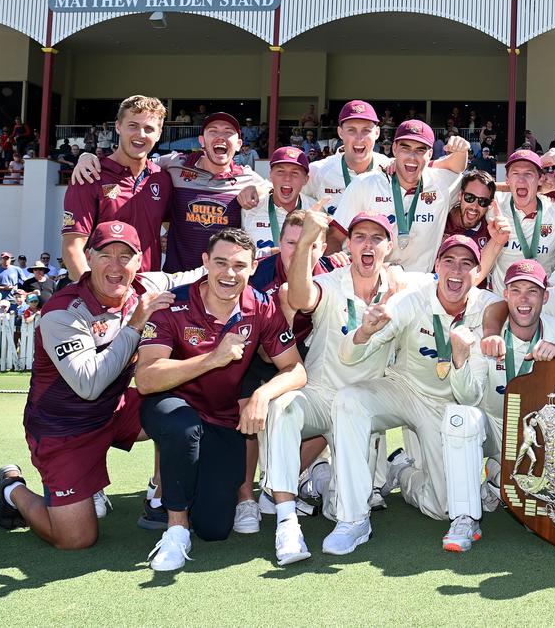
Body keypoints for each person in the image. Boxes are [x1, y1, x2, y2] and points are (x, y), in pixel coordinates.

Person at [0, 222, 192, 550]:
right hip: (64, 429)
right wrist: (136, 323)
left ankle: (162, 494)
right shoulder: (61, 312)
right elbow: (89, 385)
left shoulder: (146, 285)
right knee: (76, 539)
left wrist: (263, 260)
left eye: (125, 256)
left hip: (115, 411)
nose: (116, 266)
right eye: (105, 255)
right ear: (88, 257)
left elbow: (201, 273)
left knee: (182, 402)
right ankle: (12, 488)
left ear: (139, 261)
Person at [134, 228, 305, 571]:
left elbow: (296, 370)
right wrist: (213, 358)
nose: (229, 274)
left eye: (239, 265)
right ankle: (175, 529)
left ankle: (181, 490)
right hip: (172, 408)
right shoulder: (175, 304)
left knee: (214, 528)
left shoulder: (261, 306)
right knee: (183, 428)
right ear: (205, 263)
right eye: (221, 263)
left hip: (222, 418)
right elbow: (147, 378)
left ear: (253, 267)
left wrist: (262, 394)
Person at [256, 209, 418, 565]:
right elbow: (298, 297)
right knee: (283, 406)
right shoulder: (331, 283)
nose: (368, 244)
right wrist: (306, 243)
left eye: (377, 238)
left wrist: (398, 289)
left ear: (388, 248)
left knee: (341, 499)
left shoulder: (401, 288)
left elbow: (452, 283)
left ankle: (352, 516)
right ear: (347, 244)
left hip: (364, 404)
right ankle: (287, 522)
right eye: (360, 237)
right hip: (321, 394)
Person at [323, 235, 497, 555]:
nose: (456, 271)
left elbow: (470, 396)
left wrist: (459, 359)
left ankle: (400, 470)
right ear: (437, 266)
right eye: (449, 262)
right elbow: (349, 356)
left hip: (446, 406)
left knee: (444, 507)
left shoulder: (486, 310)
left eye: (466, 264)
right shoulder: (414, 299)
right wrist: (364, 332)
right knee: (349, 400)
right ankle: (353, 519)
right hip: (403, 389)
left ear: (477, 273)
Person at [441, 259, 555, 552]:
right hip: (495, 427)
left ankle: (498, 484)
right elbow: (468, 397)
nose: (523, 299)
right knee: (461, 417)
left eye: (532, 291)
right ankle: (464, 518)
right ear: (504, 295)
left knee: (545, 521)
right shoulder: (487, 336)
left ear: (545, 297)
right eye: (516, 290)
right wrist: (459, 358)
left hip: (539, 441)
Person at [72, 112, 268, 274]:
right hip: (176, 279)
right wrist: (87, 156)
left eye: (228, 132)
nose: (221, 137)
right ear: (201, 140)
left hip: (222, 282)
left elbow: (274, 188)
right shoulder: (175, 164)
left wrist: (260, 188)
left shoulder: (248, 179)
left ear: (240, 144)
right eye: (213, 131)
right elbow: (134, 162)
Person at [331, 119, 470, 272]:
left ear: (430, 154)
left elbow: (472, 178)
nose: (412, 156)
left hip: (419, 286)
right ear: (395, 149)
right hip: (370, 281)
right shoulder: (365, 184)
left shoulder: (441, 184)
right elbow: (334, 237)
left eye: (420, 150)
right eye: (406, 148)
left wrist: (462, 150)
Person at [62, 95, 173, 279]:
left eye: (149, 128)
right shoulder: (90, 175)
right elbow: (72, 248)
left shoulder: (162, 179)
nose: (141, 134)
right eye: (133, 126)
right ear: (118, 126)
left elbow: (170, 229)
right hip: (103, 297)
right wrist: (95, 298)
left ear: (159, 134)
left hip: (148, 295)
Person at [486, 150, 555, 290]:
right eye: (515, 174)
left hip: (543, 303)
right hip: (501, 303)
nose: (521, 180)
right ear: (507, 179)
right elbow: (467, 185)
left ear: (541, 179)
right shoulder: (494, 206)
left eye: (528, 174)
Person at [243, 146, 314, 259]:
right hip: (261, 275)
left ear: (306, 179)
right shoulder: (250, 208)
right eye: (280, 172)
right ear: (270, 174)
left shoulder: (316, 210)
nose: (287, 178)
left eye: (295, 173)